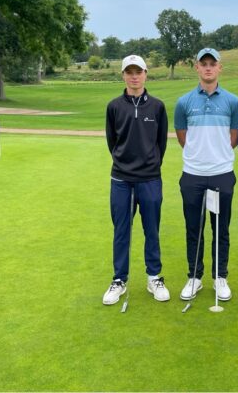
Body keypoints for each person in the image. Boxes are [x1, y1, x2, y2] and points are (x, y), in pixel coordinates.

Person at [174, 47, 238, 302]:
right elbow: (183, 137)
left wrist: (217, 155)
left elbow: (234, 137)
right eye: (203, 64)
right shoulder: (184, 102)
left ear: (219, 68)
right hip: (192, 174)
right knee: (194, 228)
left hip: (221, 174)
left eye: (212, 64)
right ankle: (194, 276)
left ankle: (219, 276)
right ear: (197, 68)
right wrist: (200, 155)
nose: (208, 68)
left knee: (220, 229)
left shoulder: (232, 102)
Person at [102, 54, 170, 305]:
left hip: (150, 179)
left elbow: (161, 143)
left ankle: (154, 277)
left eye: (138, 72)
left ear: (145, 74)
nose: (134, 76)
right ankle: (119, 280)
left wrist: (150, 164)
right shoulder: (114, 106)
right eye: (129, 72)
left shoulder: (157, 106)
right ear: (123, 75)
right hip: (121, 180)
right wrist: (124, 164)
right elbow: (112, 141)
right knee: (122, 231)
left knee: (151, 230)